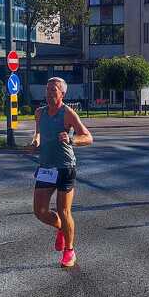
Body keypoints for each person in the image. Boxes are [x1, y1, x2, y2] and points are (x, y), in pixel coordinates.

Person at [28, 77, 93, 268]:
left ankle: (70, 251)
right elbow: (38, 133)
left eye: (53, 90)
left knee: (64, 211)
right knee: (39, 211)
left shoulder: (68, 113)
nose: (49, 94)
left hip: (65, 166)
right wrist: (35, 143)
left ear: (62, 94)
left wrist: (72, 140)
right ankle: (61, 230)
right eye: (47, 90)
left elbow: (88, 137)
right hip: (46, 167)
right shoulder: (39, 113)